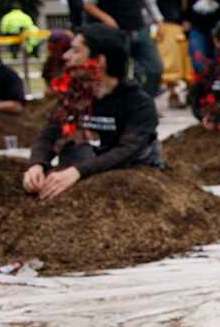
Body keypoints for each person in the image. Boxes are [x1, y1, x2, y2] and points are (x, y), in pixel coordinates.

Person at [24, 24, 161, 201]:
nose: (66, 56)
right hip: (84, 171)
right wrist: (37, 164)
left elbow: (128, 150)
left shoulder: (139, 103)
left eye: (75, 51)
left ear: (99, 61)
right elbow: (50, 133)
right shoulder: (74, 97)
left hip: (129, 183)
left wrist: (77, 172)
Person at [83, 0, 164, 97]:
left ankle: (147, 99)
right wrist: (107, 19)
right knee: (121, 72)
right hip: (118, 33)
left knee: (155, 67)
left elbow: (149, 3)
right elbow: (88, 4)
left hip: (140, 29)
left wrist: (159, 21)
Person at [152, 0, 193, 108]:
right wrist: (158, 19)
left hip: (187, 23)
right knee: (170, 63)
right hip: (168, 21)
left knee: (189, 62)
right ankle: (172, 94)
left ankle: (191, 93)